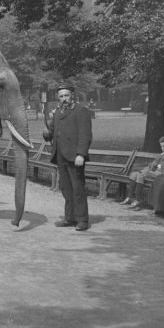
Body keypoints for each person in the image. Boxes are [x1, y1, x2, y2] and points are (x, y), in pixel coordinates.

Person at [43, 85, 94, 231]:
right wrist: (47, 132)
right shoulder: (58, 112)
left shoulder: (81, 111)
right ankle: (70, 218)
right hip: (60, 155)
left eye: (66, 95)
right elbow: (52, 133)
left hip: (74, 156)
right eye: (61, 96)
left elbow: (86, 135)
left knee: (78, 189)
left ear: (72, 95)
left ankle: (82, 220)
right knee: (66, 189)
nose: (64, 99)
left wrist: (81, 154)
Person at [120, 136, 164, 210]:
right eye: (161, 146)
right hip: (154, 172)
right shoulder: (160, 155)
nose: (162, 148)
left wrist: (162, 170)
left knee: (140, 175)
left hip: (162, 175)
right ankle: (130, 197)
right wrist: (153, 165)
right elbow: (152, 166)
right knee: (134, 174)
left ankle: (138, 199)